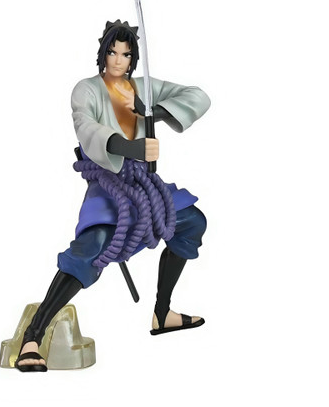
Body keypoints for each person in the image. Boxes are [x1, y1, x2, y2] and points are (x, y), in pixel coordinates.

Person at [15, 20, 211, 372]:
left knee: (191, 221)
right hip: (107, 180)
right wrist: (129, 147)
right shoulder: (87, 90)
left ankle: (162, 312)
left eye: (126, 54)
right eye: (112, 52)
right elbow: (86, 127)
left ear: (133, 58)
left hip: (143, 183)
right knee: (89, 248)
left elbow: (198, 96)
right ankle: (33, 336)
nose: (118, 60)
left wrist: (154, 111)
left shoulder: (143, 88)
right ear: (102, 53)